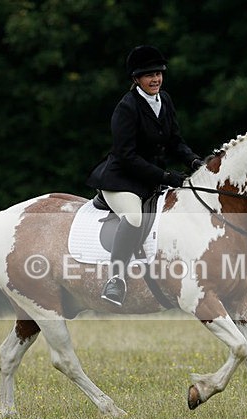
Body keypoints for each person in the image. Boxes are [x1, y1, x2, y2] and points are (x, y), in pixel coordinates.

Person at [87, 45, 204, 306]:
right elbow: (127, 157)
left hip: (149, 179)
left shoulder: (165, 100)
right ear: (136, 79)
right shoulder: (126, 108)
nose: (156, 79)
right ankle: (115, 279)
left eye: (159, 73)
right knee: (134, 218)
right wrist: (167, 176)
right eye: (149, 75)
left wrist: (194, 160)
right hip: (121, 180)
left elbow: (175, 140)